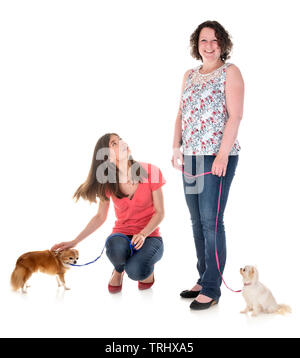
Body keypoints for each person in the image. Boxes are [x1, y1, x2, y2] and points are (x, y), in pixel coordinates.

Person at [171, 20, 244, 310]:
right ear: (196, 44)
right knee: (195, 221)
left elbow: (235, 117)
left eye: (215, 40)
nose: (209, 46)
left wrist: (223, 155)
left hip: (217, 156)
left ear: (222, 43)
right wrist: (175, 146)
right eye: (204, 41)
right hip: (190, 156)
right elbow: (181, 112)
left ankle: (213, 288)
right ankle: (204, 277)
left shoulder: (231, 72)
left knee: (211, 222)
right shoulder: (189, 75)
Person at [51, 133, 166, 293]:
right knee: (114, 247)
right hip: (122, 236)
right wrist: (75, 241)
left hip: (150, 236)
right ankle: (119, 270)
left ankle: (143, 267)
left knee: (136, 271)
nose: (121, 142)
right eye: (114, 143)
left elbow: (160, 213)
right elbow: (100, 217)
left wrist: (143, 234)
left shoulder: (151, 171)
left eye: (120, 139)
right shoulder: (108, 181)